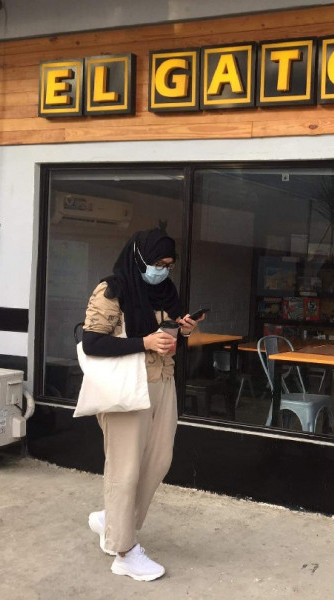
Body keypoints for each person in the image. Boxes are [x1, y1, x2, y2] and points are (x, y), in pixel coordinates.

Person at [81, 228, 203, 581]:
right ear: (139, 258)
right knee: (125, 469)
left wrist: (185, 330)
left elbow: (168, 336)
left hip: (162, 383)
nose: (162, 270)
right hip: (126, 388)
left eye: (168, 265)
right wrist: (144, 342)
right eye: (157, 263)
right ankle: (124, 551)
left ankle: (113, 520)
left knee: (158, 461)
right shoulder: (112, 289)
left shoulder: (166, 292)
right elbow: (92, 343)